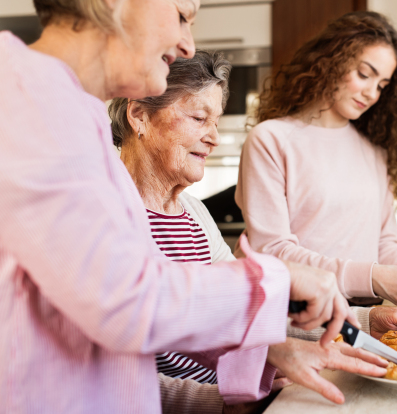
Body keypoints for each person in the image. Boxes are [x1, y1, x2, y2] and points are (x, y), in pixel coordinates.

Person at [0, 1, 357, 412]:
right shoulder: (30, 106)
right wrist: (274, 280)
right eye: (182, 15)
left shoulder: (74, 114)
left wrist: (269, 353)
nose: (187, 45)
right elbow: (127, 303)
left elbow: (117, 313)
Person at [109, 49, 397, 411]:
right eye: (198, 118)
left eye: (216, 122)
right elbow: (115, 376)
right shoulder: (106, 217)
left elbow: (245, 313)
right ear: (139, 115)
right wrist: (219, 402)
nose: (214, 138)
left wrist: (364, 321)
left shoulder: (194, 213)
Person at [235, 11, 397, 307]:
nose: (372, 93)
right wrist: (372, 278)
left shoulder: (374, 154)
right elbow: (271, 250)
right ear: (331, 61)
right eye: (364, 74)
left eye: (382, 85)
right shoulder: (270, 140)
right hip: (292, 315)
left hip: (363, 317)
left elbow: (383, 246)